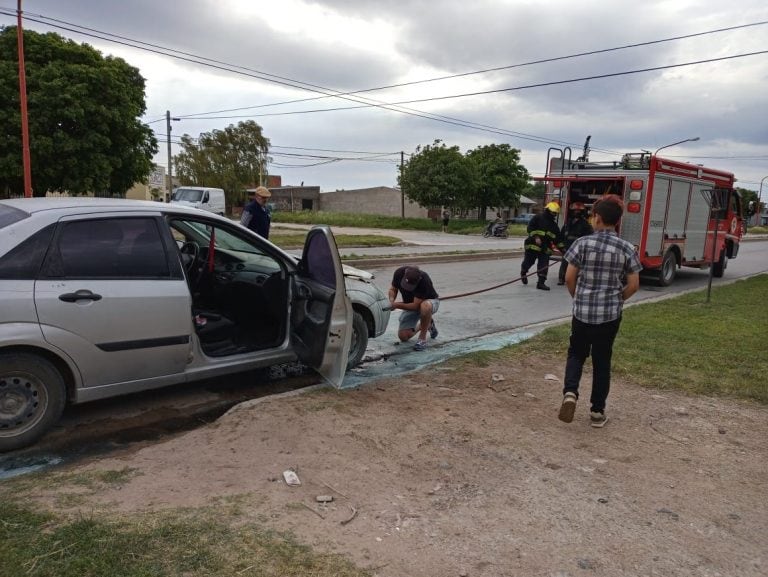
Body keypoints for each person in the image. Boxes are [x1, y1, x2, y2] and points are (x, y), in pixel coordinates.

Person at [558, 194, 643, 428]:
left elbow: (568, 277)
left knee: (576, 353)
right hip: (610, 315)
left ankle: (570, 393)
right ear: (617, 221)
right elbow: (634, 284)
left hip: (582, 312)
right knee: (602, 360)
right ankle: (597, 412)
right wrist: (618, 299)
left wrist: (578, 297)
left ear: (597, 218)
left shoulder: (582, 244)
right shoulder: (626, 248)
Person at [388, 265, 440, 351]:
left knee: (425, 306)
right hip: (410, 304)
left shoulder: (424, 280)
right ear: (404, 275)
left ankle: (422, 339)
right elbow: (393, 289)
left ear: (418, 279)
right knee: (403, 336)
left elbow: (415, 306)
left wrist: (396, 305)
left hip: (429, 302)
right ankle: (427, 324)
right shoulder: (399, 273)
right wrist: (391, 301)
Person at [520, 202, 564, 290]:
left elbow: (558, 240)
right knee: (529, 262)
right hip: (533, 244)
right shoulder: (537, 218)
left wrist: (564, 250)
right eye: (553, 212)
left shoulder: (554, 226)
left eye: (555, 213)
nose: (554, 214)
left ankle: (540, 283)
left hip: (545, 248)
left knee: (544, 265)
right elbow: (530, 228)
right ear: (548, 210)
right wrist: (536, 237)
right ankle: (523, 272)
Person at [557, 202, 593, 285]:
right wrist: (562, 247)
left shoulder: (585, 224)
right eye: (575, 210)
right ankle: (561, 278)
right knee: (565, 262)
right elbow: (561, 236)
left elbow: (589, 237)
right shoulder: (567, 223)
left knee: (576, 265)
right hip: (567, 247)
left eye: (579, 211)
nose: (577, 212)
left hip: (579, 248)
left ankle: (574, 279)